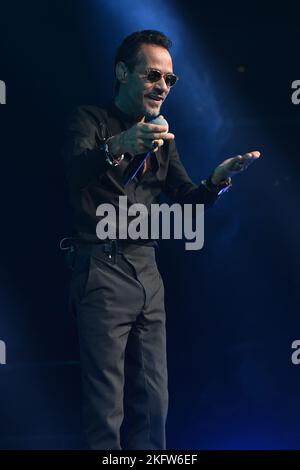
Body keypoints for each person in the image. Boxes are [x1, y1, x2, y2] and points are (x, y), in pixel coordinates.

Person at [62, 29, 260, 450]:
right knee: (105, 407)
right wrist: (118, 146)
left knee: (153, 403)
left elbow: (188, 199)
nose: (163, 87)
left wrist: (215, 181)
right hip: (101, 267)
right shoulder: (89, 119)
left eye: (170, 80)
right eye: (153, 75)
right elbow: (75, 173)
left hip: (147, 271)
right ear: (122, 72)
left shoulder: (162, 138)